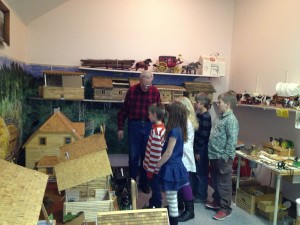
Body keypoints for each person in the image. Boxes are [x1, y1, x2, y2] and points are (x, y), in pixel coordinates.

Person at [117, 71, 161, 194]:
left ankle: (144, 183)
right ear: (140, 81)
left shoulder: (155, 91)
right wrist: (120, 128)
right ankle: (132, 183)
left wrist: (160, 127)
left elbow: (159, 111)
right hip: (134, 125)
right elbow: (124, 110)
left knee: (146, 157)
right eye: (144, 85)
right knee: (133, 157)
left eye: (149, 85)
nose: (146, 87)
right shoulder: (132, 91)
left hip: (149, 126)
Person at [205, 90, 239, 220]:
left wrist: (225, 157)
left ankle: (225, 209)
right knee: (215, 181)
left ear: (228, 104)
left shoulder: (231, 120)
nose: (218, 104)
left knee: (224, 184)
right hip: (213, 156)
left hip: (222, 158)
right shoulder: (220, 116)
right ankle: (217, 201)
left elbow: (232, 141)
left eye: (220, 102)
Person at [157, 101, 189, 225]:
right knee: (172, 199)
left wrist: (159, 163)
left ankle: (173, 222)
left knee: (172, 201)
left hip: (172, 168)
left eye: (168, 114)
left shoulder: (175, 131)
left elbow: (168, 152)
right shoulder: (179, 129)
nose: (166, 116)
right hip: (174, 166)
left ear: (173, 115)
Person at [175, 96, 198, 222]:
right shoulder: (184, 120)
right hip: (182, 152)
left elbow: (180, 140)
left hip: (183, 154)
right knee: (179, 181)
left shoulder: (185, 122)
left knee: (184, 183)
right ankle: (179, 204)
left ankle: (190, 211)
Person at [142, 103, 166, 208]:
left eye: (149, 114)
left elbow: (155, 154)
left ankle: (157, 206)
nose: (148, 116)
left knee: (155, 188)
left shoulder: (157, 131)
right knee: (155, 188)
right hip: (155, 168)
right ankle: (153, 203)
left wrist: (151, 170)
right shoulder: (160, 128)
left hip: (154, 169)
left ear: (155, 115)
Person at [193, 93, 212, 203]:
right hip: (198, 147)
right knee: (197, 171)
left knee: (201, 172)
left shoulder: (205, 117)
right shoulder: (199, 115)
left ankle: (201, 195)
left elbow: (204, 135)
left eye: (197, 102)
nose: (195, 104)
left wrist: (198, 151)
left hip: (202, 148)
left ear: (202, 104)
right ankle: (197, 192)